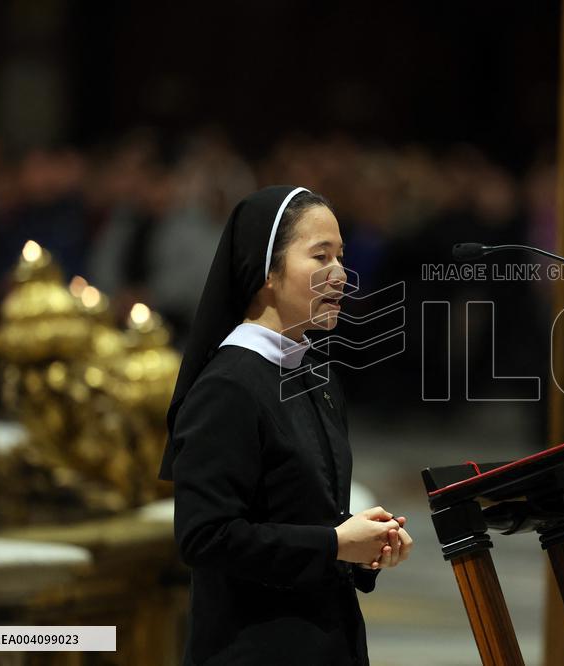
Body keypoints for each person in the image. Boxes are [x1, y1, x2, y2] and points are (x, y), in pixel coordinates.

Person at [159, 185, 413, 665]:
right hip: (252, 649)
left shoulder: (316, 374)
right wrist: (336, 543)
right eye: (321, 256)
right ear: (266, 273)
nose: (341, 275)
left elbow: (309, 514)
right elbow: (204, 537)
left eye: (342, 256)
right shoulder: (228, 386)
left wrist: (365, 548)